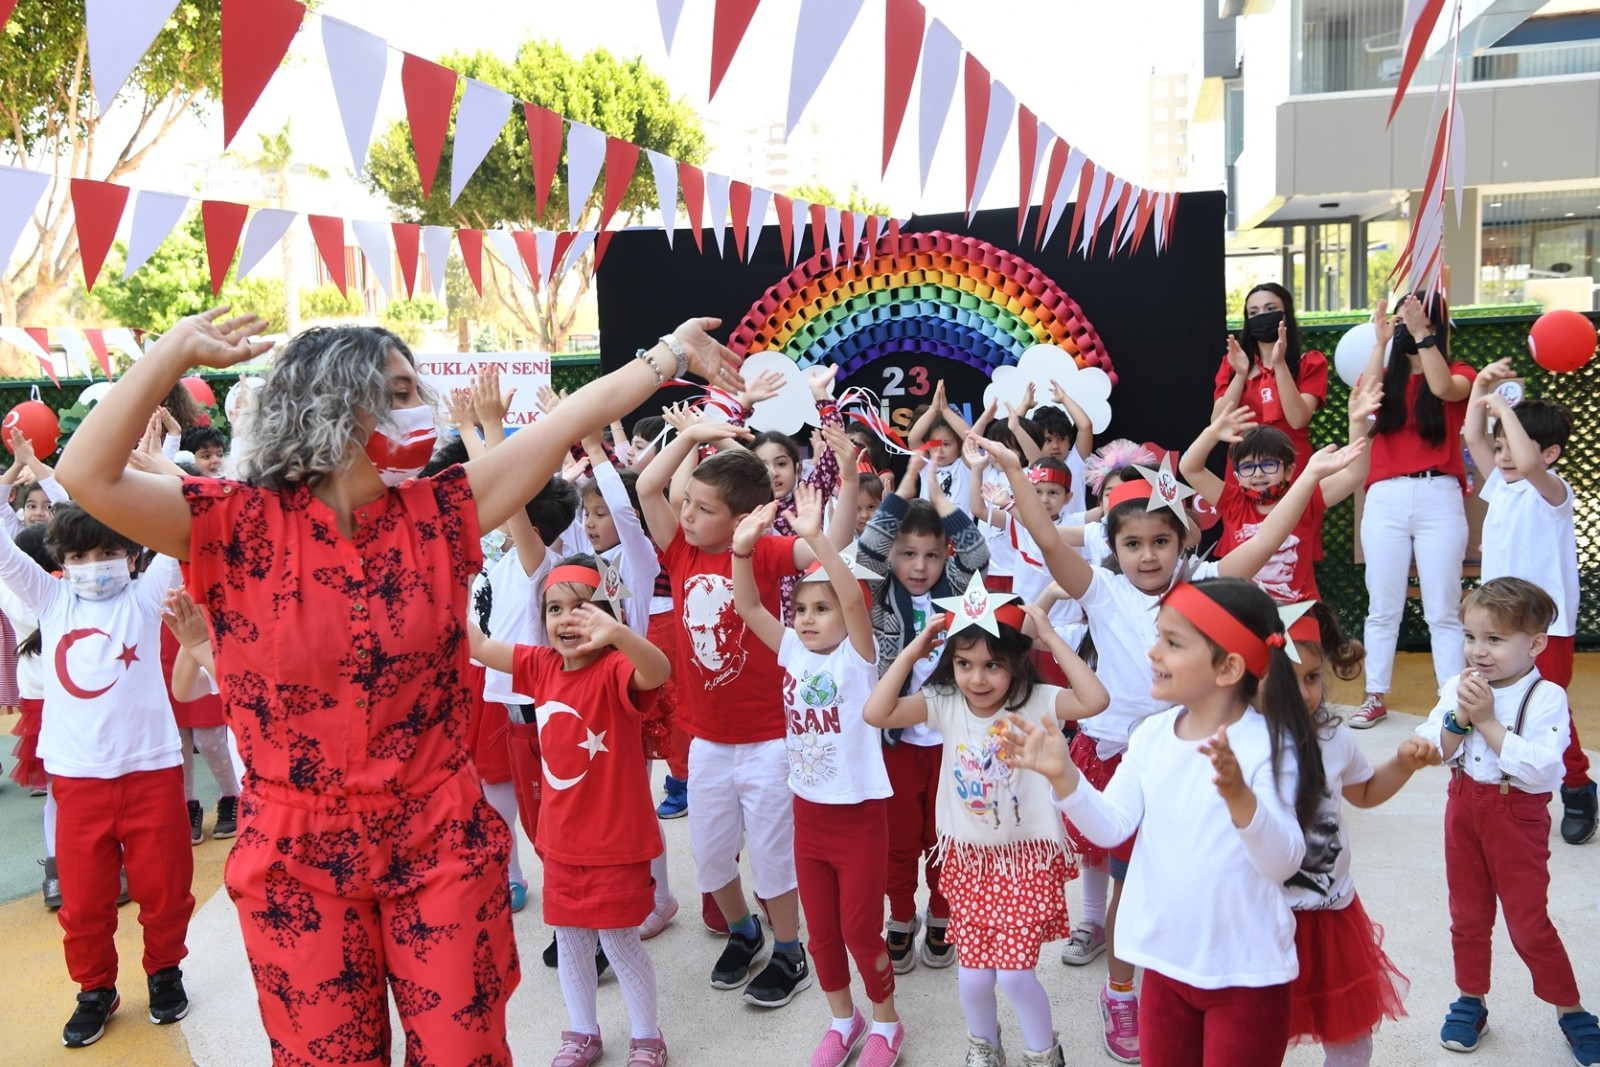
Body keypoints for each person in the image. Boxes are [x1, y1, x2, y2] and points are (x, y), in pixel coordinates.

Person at [54, 307, 745, 1063]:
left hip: (437, 834)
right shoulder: (232, 523)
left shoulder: (443, 510)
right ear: (338, 402)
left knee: (463, 1050)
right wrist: (174, 351)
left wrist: (671, 349)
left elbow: (569, 419)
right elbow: (84, 471)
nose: (422, 408)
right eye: (402, 388)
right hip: (295, 852)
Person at [990, 432, 1362, 1064]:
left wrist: (1306, 480)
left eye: (1162, 540)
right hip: (1128, 780)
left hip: (1242, 955)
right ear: (1112, 548)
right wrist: (1064, 779)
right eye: (1131, 543)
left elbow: (1264, 542)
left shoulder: (1217, 603)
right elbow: (1050, 541)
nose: (1148, 555)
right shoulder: (1108, 611)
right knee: (1128, 877)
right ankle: (1121, 989)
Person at [1006, 578, 1323, 1067]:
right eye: (1158, 636)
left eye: (1172, 642)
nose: (1152, 651)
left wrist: (1241, 799)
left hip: (1246, 973)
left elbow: (1283, 862)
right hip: (1164, 967)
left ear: (1229, 667)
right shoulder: (1152, 735)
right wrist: (1064, 777)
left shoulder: (1267, 744)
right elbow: (1112, 828)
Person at [636, 412, 852, 1008]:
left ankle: (789, 949)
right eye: (691, 504)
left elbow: (822, 550)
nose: (688, 516)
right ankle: (742, 931)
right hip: (706, 739)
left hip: (768, 738)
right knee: (708, 853)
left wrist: (834, 504)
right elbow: (647, 486)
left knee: (774, 857)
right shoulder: (679, 552)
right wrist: (691, 436)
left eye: (704, 509)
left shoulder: (764, 552)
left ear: (742, 520)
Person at [865, 578, 1110, 1067]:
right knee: (973, 977)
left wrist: (1052, 638)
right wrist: (914, 652)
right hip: (969, 866)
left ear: (1016, 661)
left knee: (1017, 976)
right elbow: (877, 712)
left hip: (1024, 865)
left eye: (993, 664)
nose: (977, 678)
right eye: (964, 664)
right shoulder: (946, 704)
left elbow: (1095, 700)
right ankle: (983, 1045)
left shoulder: (1039, 701)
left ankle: (1043, 1053)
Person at [0, 502, 195, 1047]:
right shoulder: (52, 597)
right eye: (80, 555)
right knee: (84, 902)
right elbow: (5, 559)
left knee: (166, 891)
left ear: (132, 554)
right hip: (78, 785)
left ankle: (164, 971)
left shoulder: (147, 593)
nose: (95, 564)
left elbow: (184, 529)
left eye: (109, 552)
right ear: (61, 560)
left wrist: (157, 471)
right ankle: (95, 989)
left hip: (152, 773)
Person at [470, 560, 671, 1067]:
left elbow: (659, 670)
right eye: (554, 609)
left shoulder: (616, 668)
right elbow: (476, 645)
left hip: (616, 841)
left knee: (619, 940)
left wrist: (620, 634)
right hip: (561, 842)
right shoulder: (540, 666)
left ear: (606, 614)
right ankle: (582, 1031)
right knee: (571, 938)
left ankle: (648, 1036)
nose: (566, 619)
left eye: (581, 608)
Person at [732, 484, 905, 1067]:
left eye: (820, 608)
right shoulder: (792, 653)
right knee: (824, 935)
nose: (807, 619)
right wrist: (740, 554)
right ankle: (842, 1017)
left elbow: (855, 600)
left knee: (861, 930)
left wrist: (814, 538)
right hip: (808, 815)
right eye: (802, 609)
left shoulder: (858, 658)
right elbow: (750, 607)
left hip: (858, 815)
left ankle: (885, 1021)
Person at [1414, 578, 1600, 1063]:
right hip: (1463, 807)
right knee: (1468, 915)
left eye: (1494, 639)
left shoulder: (1546, 696)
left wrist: (1490, 721)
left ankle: (1571, 1010)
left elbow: (1543, 768)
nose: (1479, 651)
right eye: (1471, 637)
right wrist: (1456, 719)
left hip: (1516, 814)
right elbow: (1439, 748)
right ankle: (1471, 999)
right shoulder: (1460, 685)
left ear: (1535, 643)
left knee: (1528, 923)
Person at [856, 449, 990, 974]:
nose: (919, 566)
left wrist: (941, 500)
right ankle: (899, 918)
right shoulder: (879, 590)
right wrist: (907, 482)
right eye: (908, 554)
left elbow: (978, 554)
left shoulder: (958, 588)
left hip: (951, 740)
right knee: (898, 840)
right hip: (895, 744)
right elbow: (867, 552)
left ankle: (941, 914)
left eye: (931, 555)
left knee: (945, 838)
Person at [1281, 601, 1432, 1066]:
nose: (1305, 691)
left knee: (1350, 1037)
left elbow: (1364, 792)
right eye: (1289, 679)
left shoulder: (1334, 738)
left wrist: (1403, 764)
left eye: (1312, 677)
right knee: (1259, 1034)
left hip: (1330, 915)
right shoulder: (1238, 744)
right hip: (1265, 920)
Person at [1462, 361, 1596, 845]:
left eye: (1511, 446)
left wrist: (1503, 408)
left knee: (1549, 707)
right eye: (1499, 447)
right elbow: (1475, 440)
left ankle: (1578, 788)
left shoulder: (1553, 492)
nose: (1501, 456)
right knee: (1496, 700)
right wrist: (1481, 390)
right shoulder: (1501, 485)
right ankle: (1508, 777)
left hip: (1545, 628)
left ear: (1552, 452)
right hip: (1500, 623)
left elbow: (1531, 464)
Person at [1351, 292, 1476, 727]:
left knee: (1442, 606)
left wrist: (1423, 333)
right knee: (1383, 605)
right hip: (1384, 496)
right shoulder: (1385, 373)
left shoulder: (1457, 372)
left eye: (1415, 316)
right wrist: (1379, 341)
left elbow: (1444, 388)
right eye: (1404, 316)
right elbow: (1363, 404)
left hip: (1439, 494)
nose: (1406, 321)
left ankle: (1452, 699)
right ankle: (1374, 694)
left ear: (1433, 322)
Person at [1179, 383, 1377, 604]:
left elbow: (1354, 474)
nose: (1258, 474)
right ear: (1236, 476)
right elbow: (1189, 468)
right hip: (1247, 613)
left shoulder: (1305, 497)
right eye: (1248, 467)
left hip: (1299, 612)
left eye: (1268, 465)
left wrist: (1358, 423)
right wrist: (1212, 433)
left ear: (1290, 470)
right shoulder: (1234, 502)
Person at [1212, 283, 1329, 473]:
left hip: (1292, 469)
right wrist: (1241, 374)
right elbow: (1218, 422)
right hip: (1244, 470)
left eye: (1271, 309)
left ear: (1286, 313)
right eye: (1253, 312)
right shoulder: (1232, 363)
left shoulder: (1309, 362)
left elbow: (1298, 419)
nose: (1262, 316)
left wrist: (1279, 364)